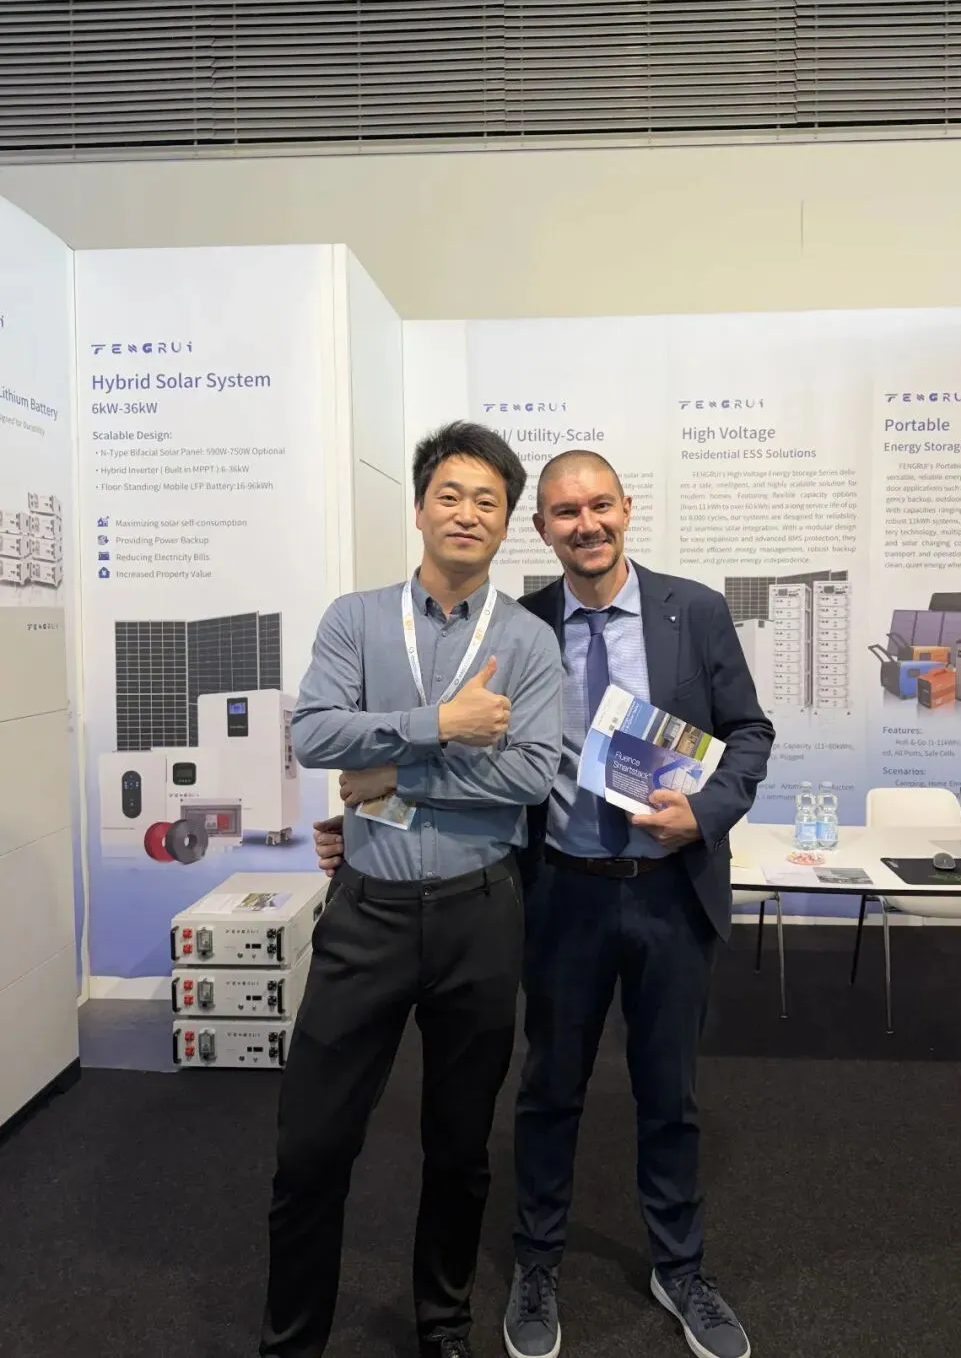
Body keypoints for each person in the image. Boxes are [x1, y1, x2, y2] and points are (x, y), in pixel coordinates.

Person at [316, 449, 775, 1358]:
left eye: (600, 505)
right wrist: (370, 815)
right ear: (541, 529)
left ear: (627, 507)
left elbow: (749, 732)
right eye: (566, 512)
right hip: (560, 892)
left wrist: (707, 811)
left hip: (670, 891)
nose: (586, 524)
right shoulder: (519, 627)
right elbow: (468, 758)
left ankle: (680, 1267)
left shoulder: (694, 611)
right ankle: (537, 1262)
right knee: (549, 1088)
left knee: (670, 1093)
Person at [259, 421, 564, 1358]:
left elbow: (530, 776)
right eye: (451, 494)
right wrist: (443, 723)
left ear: (506, 522)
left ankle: (443, 1325)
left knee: (460, 1145)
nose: (467, 513)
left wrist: (394, 769)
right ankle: (291, 1341)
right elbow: (315, 735)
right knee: (312, 1146)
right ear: (422, 507)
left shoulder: (527, 638)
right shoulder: (355, 619)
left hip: (481, 913)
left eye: (488, 501)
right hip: (369, 914)